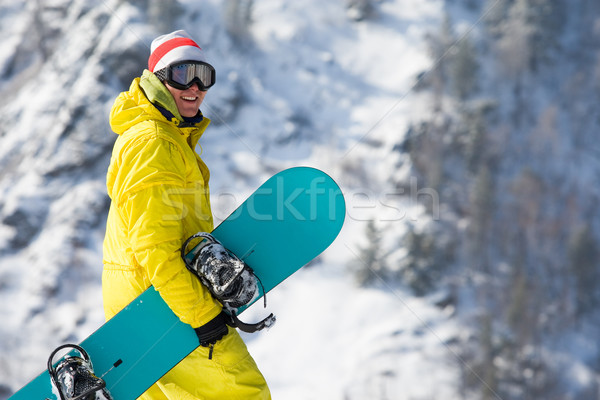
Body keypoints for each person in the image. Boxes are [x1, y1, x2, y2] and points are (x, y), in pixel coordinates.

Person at [102, 30, 271, 400]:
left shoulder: (161, 137)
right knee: (243, 391)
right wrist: (200, 315)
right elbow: (154, 247)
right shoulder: (154, 143)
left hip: (141, 304)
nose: (195, 86)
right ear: (158, 79)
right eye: (182, 74)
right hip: (164, 306)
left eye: (204, 76)